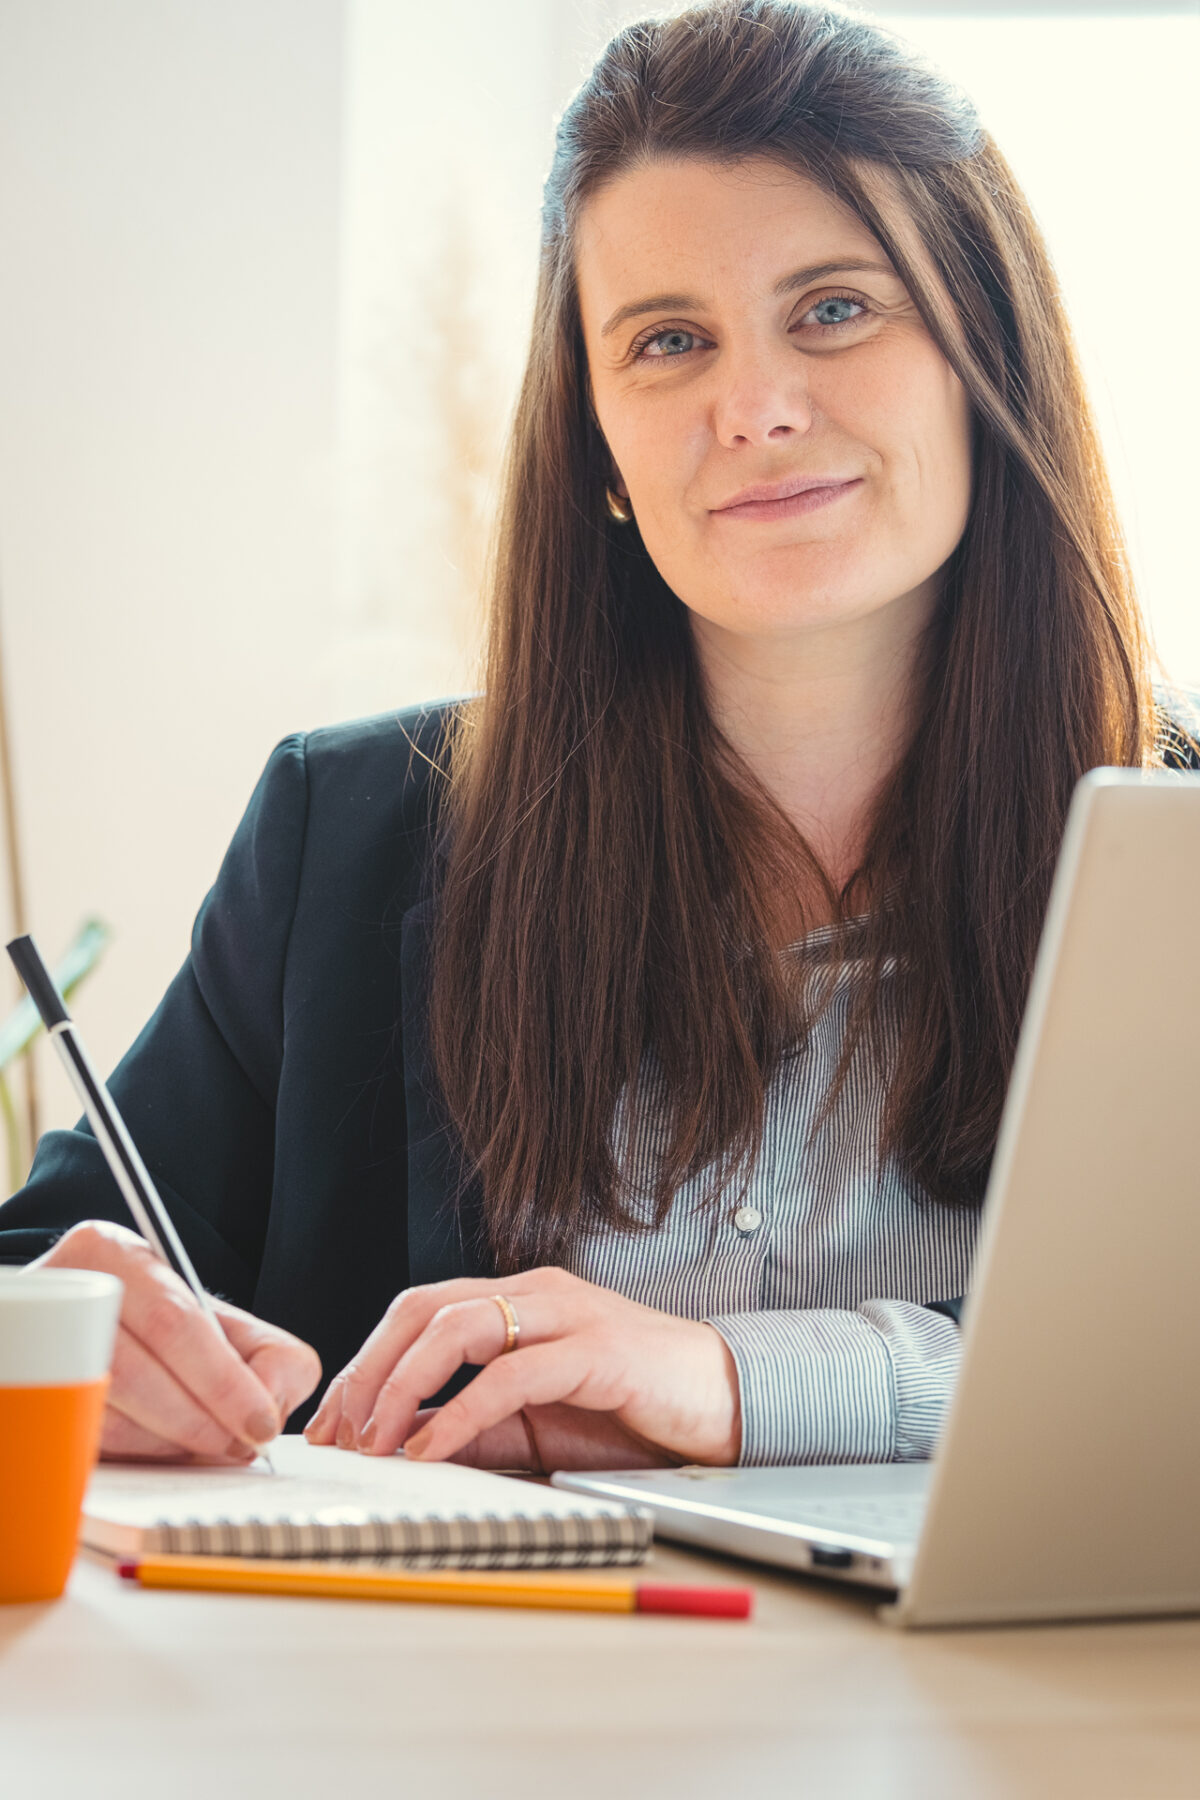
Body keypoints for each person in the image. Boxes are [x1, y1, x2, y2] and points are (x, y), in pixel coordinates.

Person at [2, 0, 1196, 1474]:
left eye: (834, 307)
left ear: (985, 359)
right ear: (601, 451)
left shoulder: (1181, 853)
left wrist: (740, 1382)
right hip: (467, 1695)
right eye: (668, 341)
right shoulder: (351, 833)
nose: (752, 407)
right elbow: (42, 1272)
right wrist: (50, 1323)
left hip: (1047, 1704)